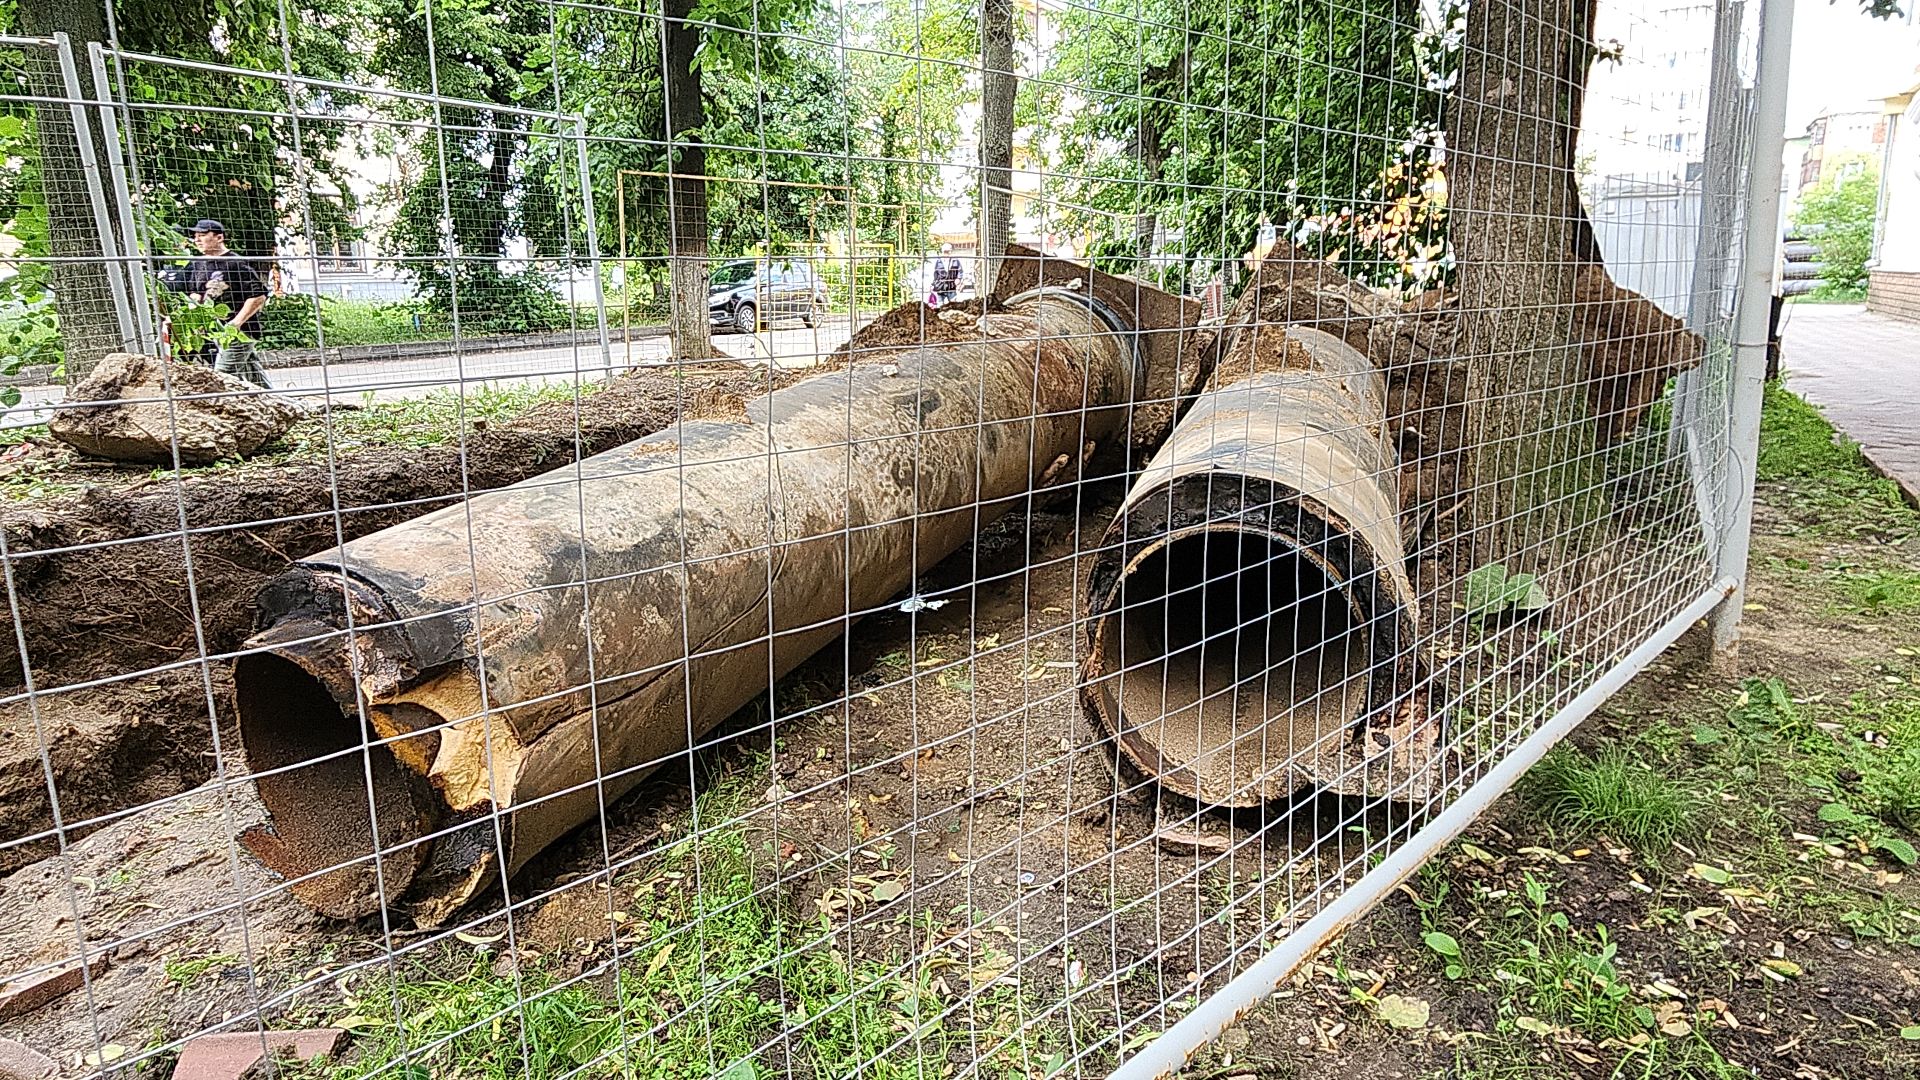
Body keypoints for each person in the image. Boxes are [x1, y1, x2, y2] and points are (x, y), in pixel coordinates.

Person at [184, 219, 272, 388]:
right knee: (254, 377)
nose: (197, 240)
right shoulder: (198, 263)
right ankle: (275, 400)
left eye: (202, 235)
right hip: (216, 331)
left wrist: (236, 324)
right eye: (195, 236)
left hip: (240, 332)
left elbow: (258, 296)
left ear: (219, 238)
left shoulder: (235, 263)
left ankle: (220, 402)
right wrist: (195, 320)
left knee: (222, 377)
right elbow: (196, 293)